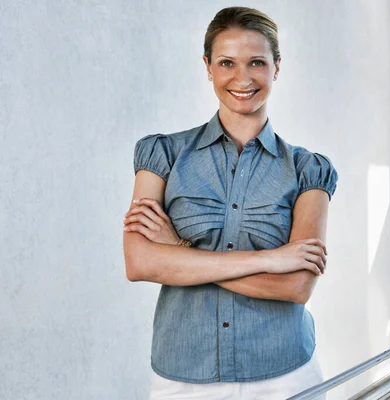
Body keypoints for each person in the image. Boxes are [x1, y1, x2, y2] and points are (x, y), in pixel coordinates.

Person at [122, 6, 338, 400]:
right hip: (183, 379)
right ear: (207, 67)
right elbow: (140, 263)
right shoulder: (162, 156)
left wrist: (179, 253)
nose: (242, 78)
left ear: (277, 67)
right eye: (226, 63)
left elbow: (296, 285)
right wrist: (269, 259)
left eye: (257, 62)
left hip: (285, 374)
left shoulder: (309, 170)